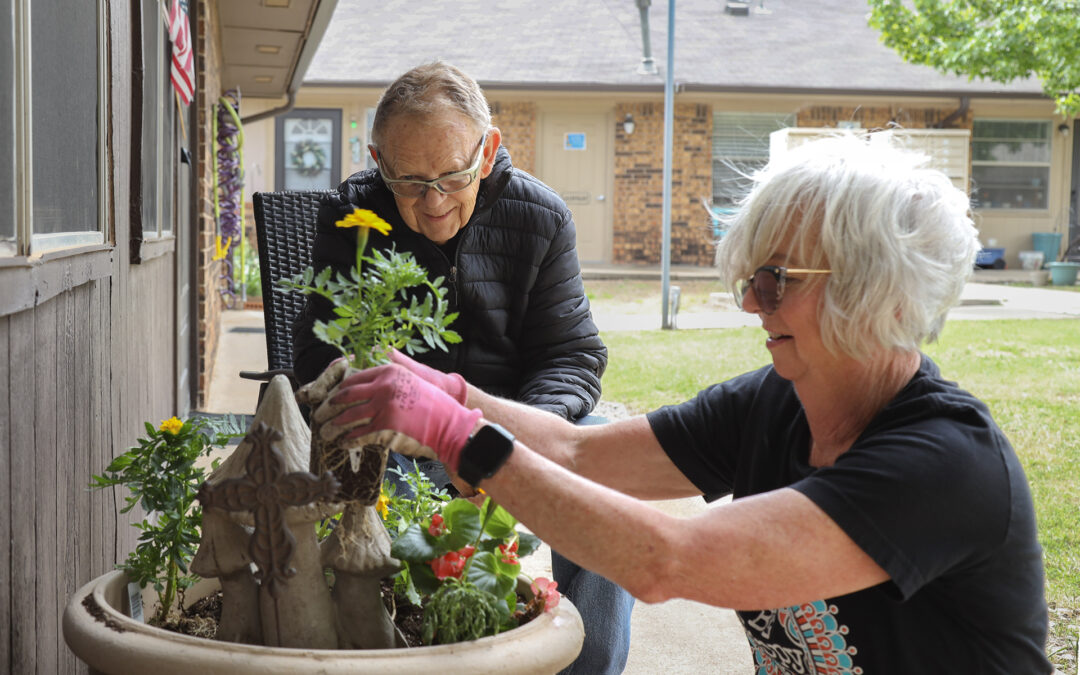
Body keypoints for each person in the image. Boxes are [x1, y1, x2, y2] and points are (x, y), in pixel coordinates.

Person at [307, 133, 1053, 673]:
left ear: (877, 289)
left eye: (776, 281)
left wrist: (459, 433)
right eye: (748, 281)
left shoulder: (942, 466)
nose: (752, 305)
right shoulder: (778, 400)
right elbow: (581, 452)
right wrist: (457, 394)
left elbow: (671, 559)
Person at [292, 61, 634, 674]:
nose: (435, 202)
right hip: (401, 439)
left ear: (490, 147)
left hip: (514, 425)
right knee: (365, 475)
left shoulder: (542, 216)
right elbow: (321, 358)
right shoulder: (349, 219)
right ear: (377, 161)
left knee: (608, 465)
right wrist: (420, 429)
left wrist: (512, 436)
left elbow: (571, 356)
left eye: (454, 175)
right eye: (409, 181)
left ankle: (590, 668)